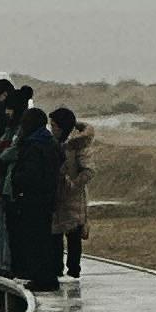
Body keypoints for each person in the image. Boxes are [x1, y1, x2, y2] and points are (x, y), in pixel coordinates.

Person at [1, 94, 63, 288]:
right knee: (43, 239)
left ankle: (42, 278)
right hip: (46, 198)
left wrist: (18, 182)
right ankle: (43, 276)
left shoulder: (34, 145)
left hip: (33, 200)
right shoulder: (49, 143)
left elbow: (31, 174)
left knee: (36, 240)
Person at [49, 103, 93, 283]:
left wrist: (72, 184)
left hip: (73, 197)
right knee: (55, 233)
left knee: (73, 235)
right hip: (57, 196)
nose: (51, 129)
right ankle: (56, 269)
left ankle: (74, 271)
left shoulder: (79, 146)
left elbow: (89, 171)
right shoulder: (55, 143)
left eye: (54, 126)